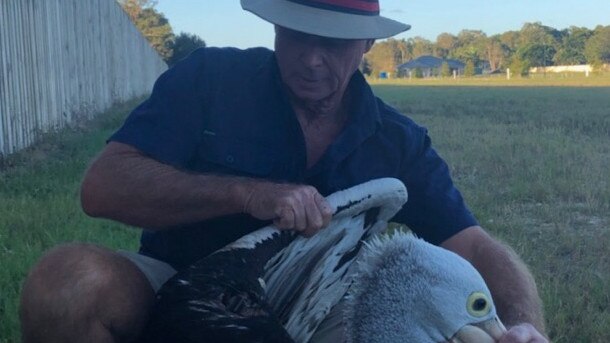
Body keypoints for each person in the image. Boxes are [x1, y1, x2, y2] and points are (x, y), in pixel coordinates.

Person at [19, 0, 548, 342]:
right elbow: (103, 186)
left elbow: (474, 246)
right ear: (276, 26)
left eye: (335, 41)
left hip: (320, 312)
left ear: (367, 44)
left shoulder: (398, 140)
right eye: (298, 34)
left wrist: (523, 326)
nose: (312, 58)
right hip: (172, 284)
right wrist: (246, 193)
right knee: (65, 285)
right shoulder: (209, 81)